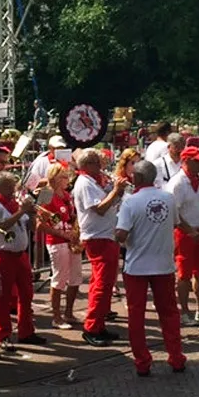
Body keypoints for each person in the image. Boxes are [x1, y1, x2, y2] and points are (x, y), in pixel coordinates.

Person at [115, 160, 186, 376]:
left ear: (135, 178)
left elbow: (121, 235)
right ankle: (176, 358)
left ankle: (142, 362)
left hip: (137, 266)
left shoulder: (130, 202)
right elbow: (175, 222)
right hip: (163, 265)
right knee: (169, 314)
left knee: (136, 317)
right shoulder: (168, 198)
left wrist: (115, 233)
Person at [0, 171, 47, 351]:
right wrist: (22, 211)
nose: (14, 190)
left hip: (21, 255)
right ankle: (2, 334)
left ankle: (26, 331)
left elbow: (28, 225)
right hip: (3, 256)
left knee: (26, 294)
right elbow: (0, 226)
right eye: (11, 187)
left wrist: (33, 214)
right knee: (2, 298)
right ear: (1, 187)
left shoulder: (14, 203)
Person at [73, 149, 126, 347]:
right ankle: (92, 327)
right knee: (101, 285)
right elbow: (101, 208)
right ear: (86, 166)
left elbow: (109, 205)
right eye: (96, 163)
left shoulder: (93, 182)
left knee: (104, 284)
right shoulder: (85, 183)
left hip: (106, 235)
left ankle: (99, 324)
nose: (100, 166)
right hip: (98, 237)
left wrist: (117, 192)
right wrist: (115, 191)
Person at [165, 146, 199, 326]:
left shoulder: (198, 178)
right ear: (186, 161)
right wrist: (189, 230)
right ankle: (184, 312)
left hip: (197, 231)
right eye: (197, 160)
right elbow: (174, 212)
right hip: (183, 234)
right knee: (184, 273)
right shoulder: (178, 183)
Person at [38, 163, 82, 329]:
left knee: (76, 277)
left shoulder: (66, 195)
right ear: (54, 178)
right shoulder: (46, 194)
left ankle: (68, 312)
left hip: (71, 240)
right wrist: (62, 234)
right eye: (63, 176)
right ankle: (56, 317)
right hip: (57, 241)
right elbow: (39, 224)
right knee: (59, 278)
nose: (67, 179)